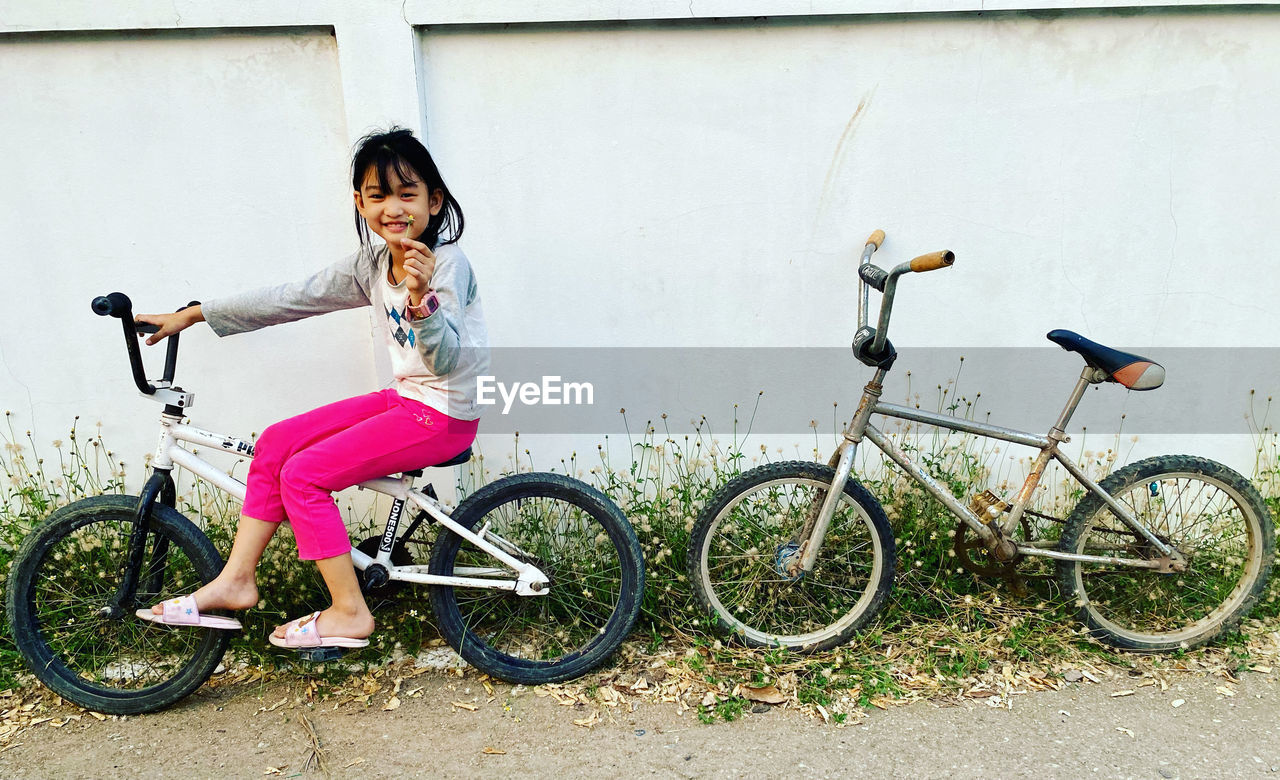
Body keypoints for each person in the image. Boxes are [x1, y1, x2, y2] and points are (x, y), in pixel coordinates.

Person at [134, 127, 489, 649]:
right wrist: (197, 313)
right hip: (409, 399)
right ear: (360, 203)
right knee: (278, 442)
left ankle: (350, 612)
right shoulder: (372, 263)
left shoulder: (446, 265)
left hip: (445, 414)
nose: (393, 207)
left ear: (434, 202)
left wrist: (421, 300)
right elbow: (293, 297)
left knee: (303, 476)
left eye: (407, 194)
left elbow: (448, 360)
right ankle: (236, 580)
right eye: (378, 195)